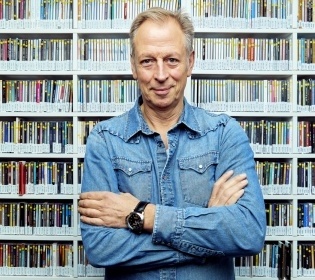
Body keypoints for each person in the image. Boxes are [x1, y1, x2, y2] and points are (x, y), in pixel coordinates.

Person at [78, 7, 266, 280]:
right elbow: (100, 249)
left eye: (172, 60)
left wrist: (144, 216)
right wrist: (208, 234)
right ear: (133, 66)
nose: (161, 74)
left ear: (190, 62)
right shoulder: (105, 140)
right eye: (147, 61)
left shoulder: (225, 133)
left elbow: (248, 234)